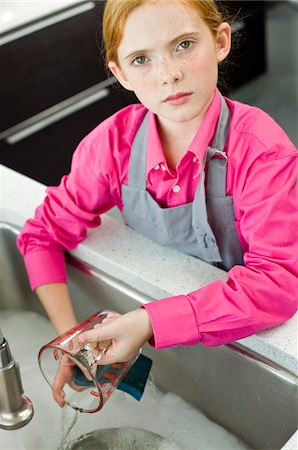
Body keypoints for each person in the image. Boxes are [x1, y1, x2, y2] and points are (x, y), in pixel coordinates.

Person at [18, 0, 298, 407]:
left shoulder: (263, 153)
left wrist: (149, 321)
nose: (169, 75)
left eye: (184, 44)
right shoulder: (111, 146)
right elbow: (42, 234)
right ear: (120, 73)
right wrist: (72, 341)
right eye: (141, 58)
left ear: (220, 41)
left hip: (247, 333)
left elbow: (276, 284)